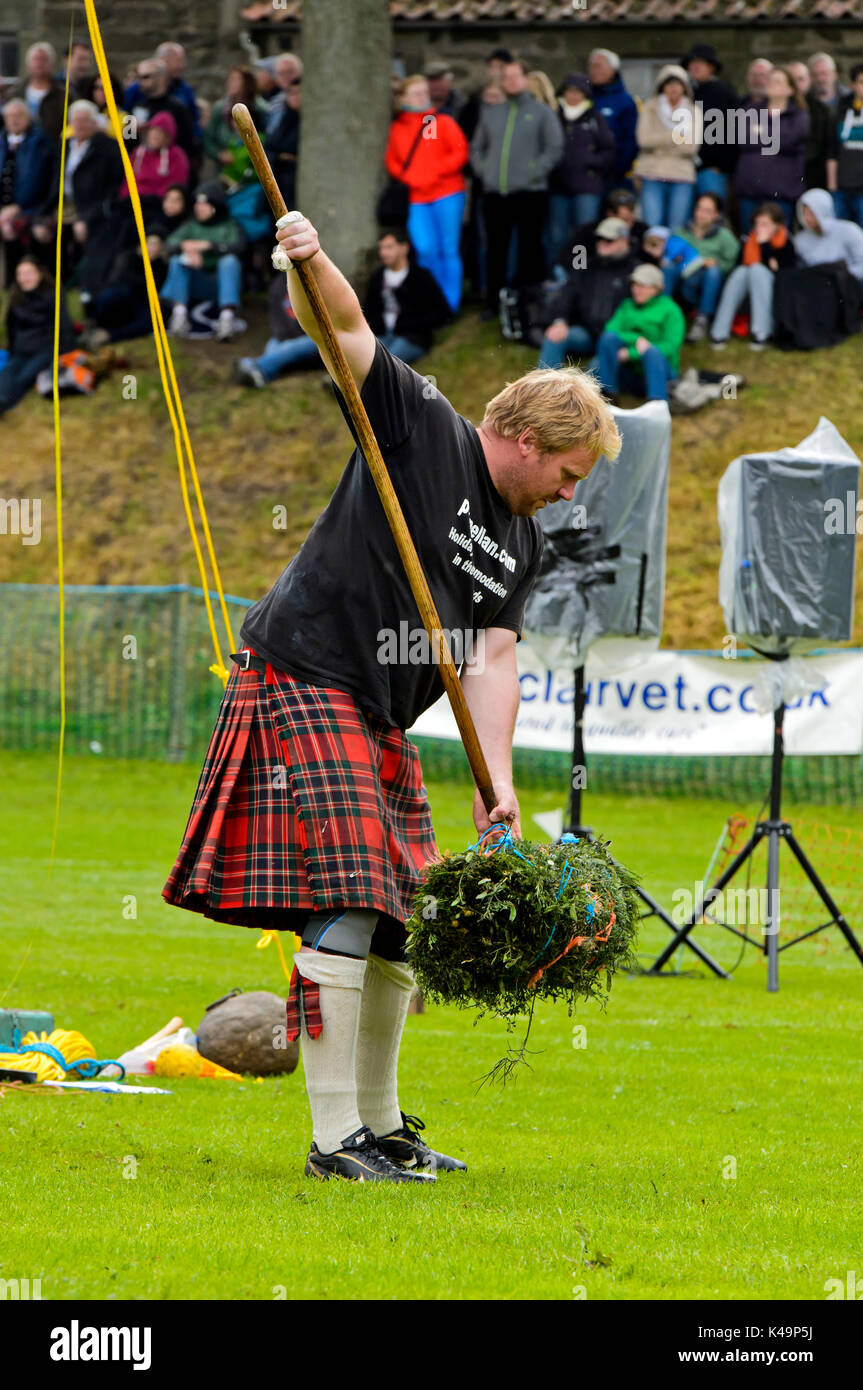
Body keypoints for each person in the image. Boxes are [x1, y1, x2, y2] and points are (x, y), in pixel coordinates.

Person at [164, 205, 621, 1183]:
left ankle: (378, 1127)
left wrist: (494, 778)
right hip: (306, 667)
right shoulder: (421, 424)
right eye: (567, 473)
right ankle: (334, 1142)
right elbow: (344, 333)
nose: (567, 494)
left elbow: (492, 658)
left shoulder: (521, 541)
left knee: (401, 914)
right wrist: (311, 258)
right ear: (525, 436)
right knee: (347, 897)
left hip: (377, 713)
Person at [234, 227, 452, 386]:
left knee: (384, 365)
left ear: (404, 248)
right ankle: (260, 367)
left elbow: (440, 313)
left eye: (389, 247)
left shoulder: (420, 277)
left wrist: (409, 324)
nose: (383, 252)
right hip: (378, 335)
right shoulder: (378, 277)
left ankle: (346, 387)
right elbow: (367, 311)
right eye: (381, 248)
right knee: (320, 343)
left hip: (411, 337)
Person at [470, 58, 563, 315]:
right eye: (507, 77)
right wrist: (485, 171)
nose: (511, 81)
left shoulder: (541, 111)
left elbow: (554, 147)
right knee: (495, 251)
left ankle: (527, 302)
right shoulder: (492, 112)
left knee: (529, 250)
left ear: (525, 79)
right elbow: (477, 147)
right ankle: (493, 302)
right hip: (496, 194)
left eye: (516, 76)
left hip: (530, 193)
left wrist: (533, 172)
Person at [385, 74, 469, 313]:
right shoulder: (397, 127)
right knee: (425, 249)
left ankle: (449, 303)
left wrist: (436, 172)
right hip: (416, 198)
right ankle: (431, 300)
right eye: (416, 92)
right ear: (403, 98)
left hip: (447, 193)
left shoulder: (441, 121)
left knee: (448, 248)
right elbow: (392, 161)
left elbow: (459, 152)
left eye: (424, 91)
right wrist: (408, 177)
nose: (422, 96)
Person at [538, 216, 639, 368]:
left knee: (592, 377)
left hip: (618, 339)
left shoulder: (636, 272)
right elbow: (567, 294)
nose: (602, 243)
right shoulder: (586, 266)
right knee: (554, 337)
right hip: (587, 333)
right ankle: (544, 387)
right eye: (600, 238)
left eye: (609, 239)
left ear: (623, 241)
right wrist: (560, 321)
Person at [161, 180, 246, 340]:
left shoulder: (229, 225)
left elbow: (239, 247)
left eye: (205, 204)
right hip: (195, 283)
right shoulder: (191, 226)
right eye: (197, 204)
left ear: (216, 206)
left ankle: (226, 320)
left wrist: (209, 246)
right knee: (177, 261)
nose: (199, 208)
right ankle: (179, 317)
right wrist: (185, 248)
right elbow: (169, 246)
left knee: (229, 261)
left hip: (220, 285)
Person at [547, 73, 615, 266]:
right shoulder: (554, 116)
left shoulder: (595, 118)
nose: (574, 96)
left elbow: (609, 150)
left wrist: (591, 162)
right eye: (570, 91)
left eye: (578, 92)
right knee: (557, 235)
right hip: (558, 186)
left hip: (586, 186)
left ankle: (580, 273)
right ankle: (558, 275)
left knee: (583, 234)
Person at [709, 202, 795, 351]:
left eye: (765, 224)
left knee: (756, 269)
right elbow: (740, 263)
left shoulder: (786, 243)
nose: (760, 229)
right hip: (748, 284)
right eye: (758, 224)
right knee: (741, 272)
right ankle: (719, 331)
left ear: (777, 225)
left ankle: (762, 333)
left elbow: (783, 271)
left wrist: (765, 246)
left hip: (776, 288)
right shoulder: (749, 241)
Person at [596, 262, 685, 404]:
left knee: (652, 352)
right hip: (628, 371)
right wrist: (637, 339)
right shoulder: (627, 305)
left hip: (659, 373)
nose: (636, 290)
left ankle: (657, 405)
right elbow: (610, 331)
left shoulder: (671, 310)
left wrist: (632, 353)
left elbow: (671, 346)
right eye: (634, 285)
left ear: (656, 289)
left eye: (642, 286)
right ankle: (608, 397)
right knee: (607, 341)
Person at [734, 67, 809, 231]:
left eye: (777, 81)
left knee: (778, 243)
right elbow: (743, 140)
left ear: (790, 89)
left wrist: (761, 132)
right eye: (770, 80)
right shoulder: (750, 109)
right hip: (750, 190)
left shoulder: (798, 114)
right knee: (750, 242)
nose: (771, 84)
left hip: (781, 193)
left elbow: (790, 140)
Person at [0, 255, 75, 415]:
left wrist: (66, 352)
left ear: (39, 274)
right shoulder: (15, 298)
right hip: (21, 352)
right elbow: (11, 328)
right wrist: (12, 351)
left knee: (24, 378)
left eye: (29, 273)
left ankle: (4, 404)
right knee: (6, 373)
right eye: (20, 274)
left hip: (44, 349)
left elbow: (64, 324)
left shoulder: (52, 295)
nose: (24, 278)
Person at [635, 65, 701, 229]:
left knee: (677, 227)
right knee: (652, 225)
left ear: (684, 87)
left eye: (677, 84)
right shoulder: (650, 107)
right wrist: (675, 137)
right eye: (669, 84)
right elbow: (643, 141)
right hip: (652, 173)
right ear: (662, 86)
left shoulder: (693, 111)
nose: (673, 88)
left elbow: (690, 147)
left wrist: (657, 144)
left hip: (681, 175)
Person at [671, 191, 741, 340]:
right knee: (667, 268)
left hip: (709, 281)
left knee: (713, 271)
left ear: (716, 215)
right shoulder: (681, 232)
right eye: (699, 208)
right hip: (683, 276)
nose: (702, 214)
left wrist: (716, 263)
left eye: (708, 211)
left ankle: (702, 319)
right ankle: (663, 313)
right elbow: (670, 255)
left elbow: (730, 263)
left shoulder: (724, 236)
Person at [0, 100, 55, 278]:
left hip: (30, 207)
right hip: (5, 207)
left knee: (17, 229)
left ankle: (28, 280)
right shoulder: (2, 140)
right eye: (10, 116)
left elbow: (35, 179)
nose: (14, 120)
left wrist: (18, 206)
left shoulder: (39, 142)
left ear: (28, 118)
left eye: (19, 116)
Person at [682, 43, 738, 201]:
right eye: (692, 62)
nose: (695, 66)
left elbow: (735, 130)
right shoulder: (683, 94)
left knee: (711, 215)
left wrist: (723, 165)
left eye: (701, 62)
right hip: (683, 168)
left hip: (712, 170)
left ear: (712, 67)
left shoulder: (725, 93)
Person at [126, 58, 198, 163]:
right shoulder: (136, 107)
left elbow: (188, 145)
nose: (140, 81)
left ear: (161, 78)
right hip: (141, 169)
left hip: (169, 169)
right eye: (138, 77)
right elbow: (126, 141)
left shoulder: (178, 108)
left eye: (146, 77)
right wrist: (134, 131)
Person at [587, 48, 638, 189]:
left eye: (598, 66)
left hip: (614, 176)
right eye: (591, 66)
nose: (593, 70)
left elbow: (630, 140)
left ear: (613, 69)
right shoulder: (584, 97)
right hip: (583, 175)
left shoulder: (625, 101)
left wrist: (618, 168)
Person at [119, 111, 189, 208]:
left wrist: (150, 198)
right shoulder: (138, 152)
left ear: (168, 136)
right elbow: (127, 181)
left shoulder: (176, 155)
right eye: (153, 130)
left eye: (161, 132)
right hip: (132, 202)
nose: (155, 135)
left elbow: (176, 185)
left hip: (159, 205)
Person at [794, 186, 863, 281]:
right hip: (818, 288)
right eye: (804, 213)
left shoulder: (849, 230)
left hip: (848, 286)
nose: (807, 218)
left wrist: (840, 276)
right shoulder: (800, 239)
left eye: (811, 213)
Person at [786, 60, 832, 191]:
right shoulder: (774, 108)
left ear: (809, 80)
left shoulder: (822, 111)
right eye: (792, 80)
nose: (796, 85)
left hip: (812, 178)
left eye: (800, 79)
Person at [8, 42, 66, 142]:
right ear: (28, 64)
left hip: (52, 148)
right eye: (36, 59)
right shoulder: (15, 93)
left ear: (52, 64)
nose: (40, 63)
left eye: (44, 59)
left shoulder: (63, 94)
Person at [827, 64, 863, 227]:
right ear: (852, 85)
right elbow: (832, 152)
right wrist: (833, 188)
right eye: (861, 82)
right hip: (841, 188)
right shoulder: (841, 110)